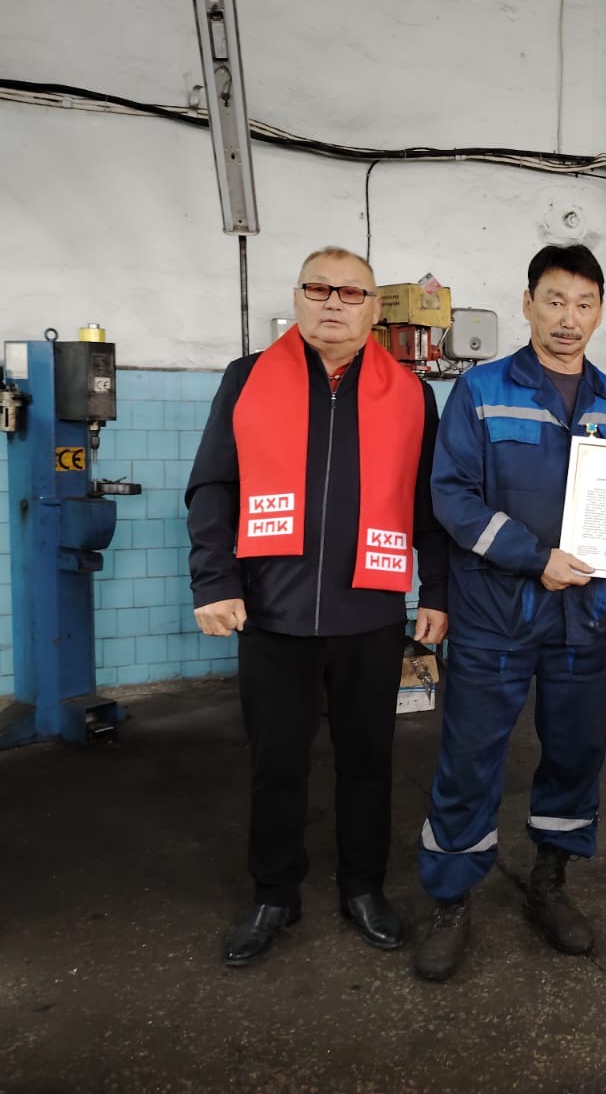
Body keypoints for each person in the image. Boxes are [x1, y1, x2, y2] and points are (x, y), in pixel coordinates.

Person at [186, 244, 449, 968]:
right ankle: (274, 893)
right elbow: (213, 486)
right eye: (320, 289)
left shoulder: (411, 394)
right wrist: (214, 580)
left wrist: (438, 591)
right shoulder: (248, 379)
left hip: (370, 614)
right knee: (276, 763)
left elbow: (428, 503)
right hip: (272, 612)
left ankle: (363, 888)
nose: (335, 302)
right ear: (299, 299)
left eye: (352, 292)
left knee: (369, 763)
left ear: (375, 308)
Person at [412, 243, 606, 982]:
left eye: (584, 304)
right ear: (528, 303)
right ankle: (451, 900)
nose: (569, 318)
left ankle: (550, 881)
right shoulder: (480, 391)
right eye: (555, 301)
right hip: (496, 615)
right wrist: (533, 557)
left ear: (599, 312)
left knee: (575, 756)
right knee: (470, 759)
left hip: (586, 620)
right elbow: (451, 495)